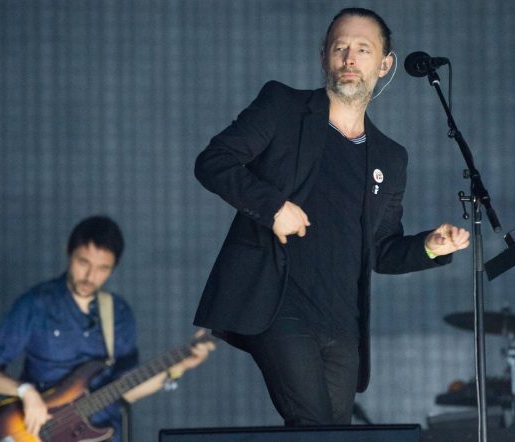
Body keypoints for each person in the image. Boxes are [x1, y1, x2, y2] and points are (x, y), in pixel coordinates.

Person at [193, 7, 470, 426]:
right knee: (313, 425)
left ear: (385, 63)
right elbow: (213, 161)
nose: (350, 59)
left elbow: (382, 251)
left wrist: (430, 247)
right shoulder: (282, 107)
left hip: (342, 321)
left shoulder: (390, 157)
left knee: (337, 432)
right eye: (340, 48)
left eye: (363, 49)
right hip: (278, 303)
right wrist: (272, 207)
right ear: (324, 56)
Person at [0, 215, 214, 441]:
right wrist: (26, 392)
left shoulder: (118, 313)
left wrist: (179, 366)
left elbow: (126, 390)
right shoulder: (36, 303)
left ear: (114, 267)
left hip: (101, 434)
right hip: (39, 430)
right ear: (68, 252)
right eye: (83, 262)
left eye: (102, 269)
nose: (90, 276)